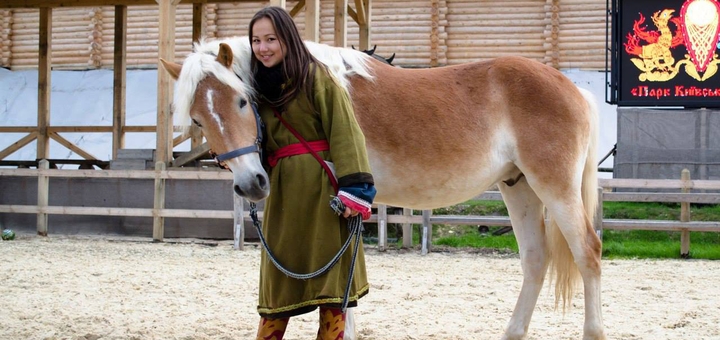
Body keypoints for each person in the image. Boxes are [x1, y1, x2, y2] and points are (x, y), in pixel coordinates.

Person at [249, 6, 376, 340]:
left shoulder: (317, 76)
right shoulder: (254, 88)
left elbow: (346, 132)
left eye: (271, 39)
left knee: (331, 290)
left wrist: (356, 190)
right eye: (256, 40)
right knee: (277, 290)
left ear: (288, 39)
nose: (263, 48)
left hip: (325, 193)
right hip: (283, 196)